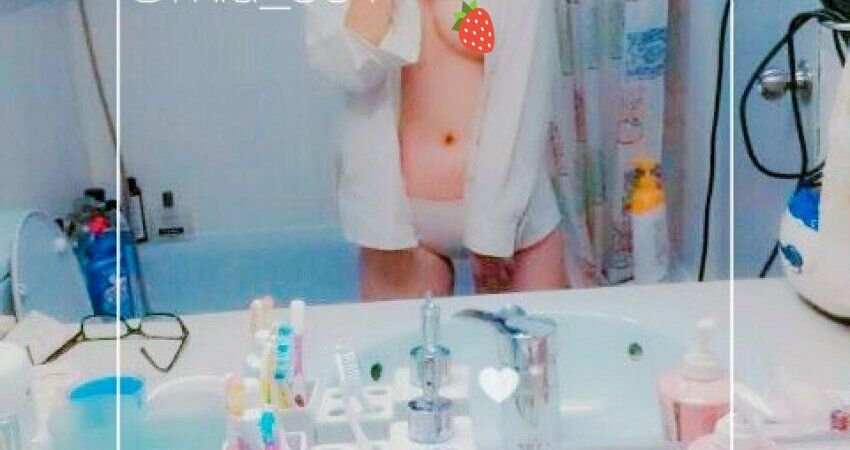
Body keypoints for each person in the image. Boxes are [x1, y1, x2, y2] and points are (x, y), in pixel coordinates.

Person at [306, 0, 568, 300]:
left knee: (534, 329)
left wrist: (494, 233)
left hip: (515, 211)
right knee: (395, 331)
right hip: (401, 218)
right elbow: (347, 69)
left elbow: (523, 96)